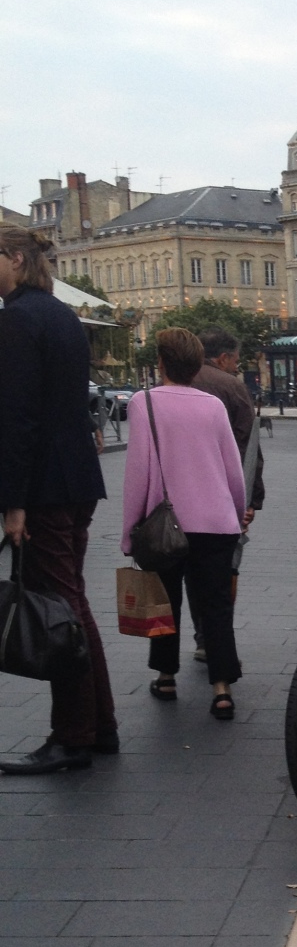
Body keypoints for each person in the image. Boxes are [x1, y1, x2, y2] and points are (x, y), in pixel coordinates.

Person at [0, 227, 118, 774]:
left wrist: (13, 501)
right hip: (75, 480)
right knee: (73, 604)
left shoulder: (18, 319)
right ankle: (99, 728)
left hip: (45, 485)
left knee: (61, 611)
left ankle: (73, 734)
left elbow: (18, 418)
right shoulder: (61, 316)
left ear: (17, 260)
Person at [121, 328, 247, 721]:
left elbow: (137, 473)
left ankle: (166, 676)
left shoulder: (144, 404)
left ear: (160, 363)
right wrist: (237, 513)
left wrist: (129, 531)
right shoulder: (213, 406)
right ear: (197, 365)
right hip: (216, 522)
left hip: (165, 523)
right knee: (215, 606)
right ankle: (222, 689)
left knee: (164, 604)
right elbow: (233, 471)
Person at [193, 328, 265, 663]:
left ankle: (200, 636)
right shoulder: (232, 387)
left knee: (191, 571)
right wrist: (252, 501)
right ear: (223, 358)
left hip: (183, 498)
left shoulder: (178, 382)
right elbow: (249, 449)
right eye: (236, 360)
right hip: (225, 494)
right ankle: (216, 637)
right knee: (225, 569)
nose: (237, 366)